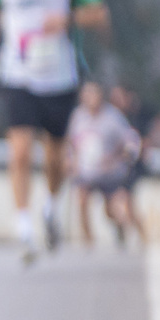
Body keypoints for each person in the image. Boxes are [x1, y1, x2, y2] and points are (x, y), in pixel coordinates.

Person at [0, 0, 110, 266]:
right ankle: (23, 224)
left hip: (59, 74)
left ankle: (50, 206)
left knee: (54, 155)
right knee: (19, 150)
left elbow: (98, 11)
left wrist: (67, 18)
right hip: (17, 72)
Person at [65, 79, 141, 248]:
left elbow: (131, 142)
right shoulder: (78, 116)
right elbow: (71, 142)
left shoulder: (113, 117)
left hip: (110, 173)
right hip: (87, 171)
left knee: (112, 210)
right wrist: (71, 161)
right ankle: (88, 240)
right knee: (82, 199)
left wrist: (118, 158)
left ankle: (123, 228)